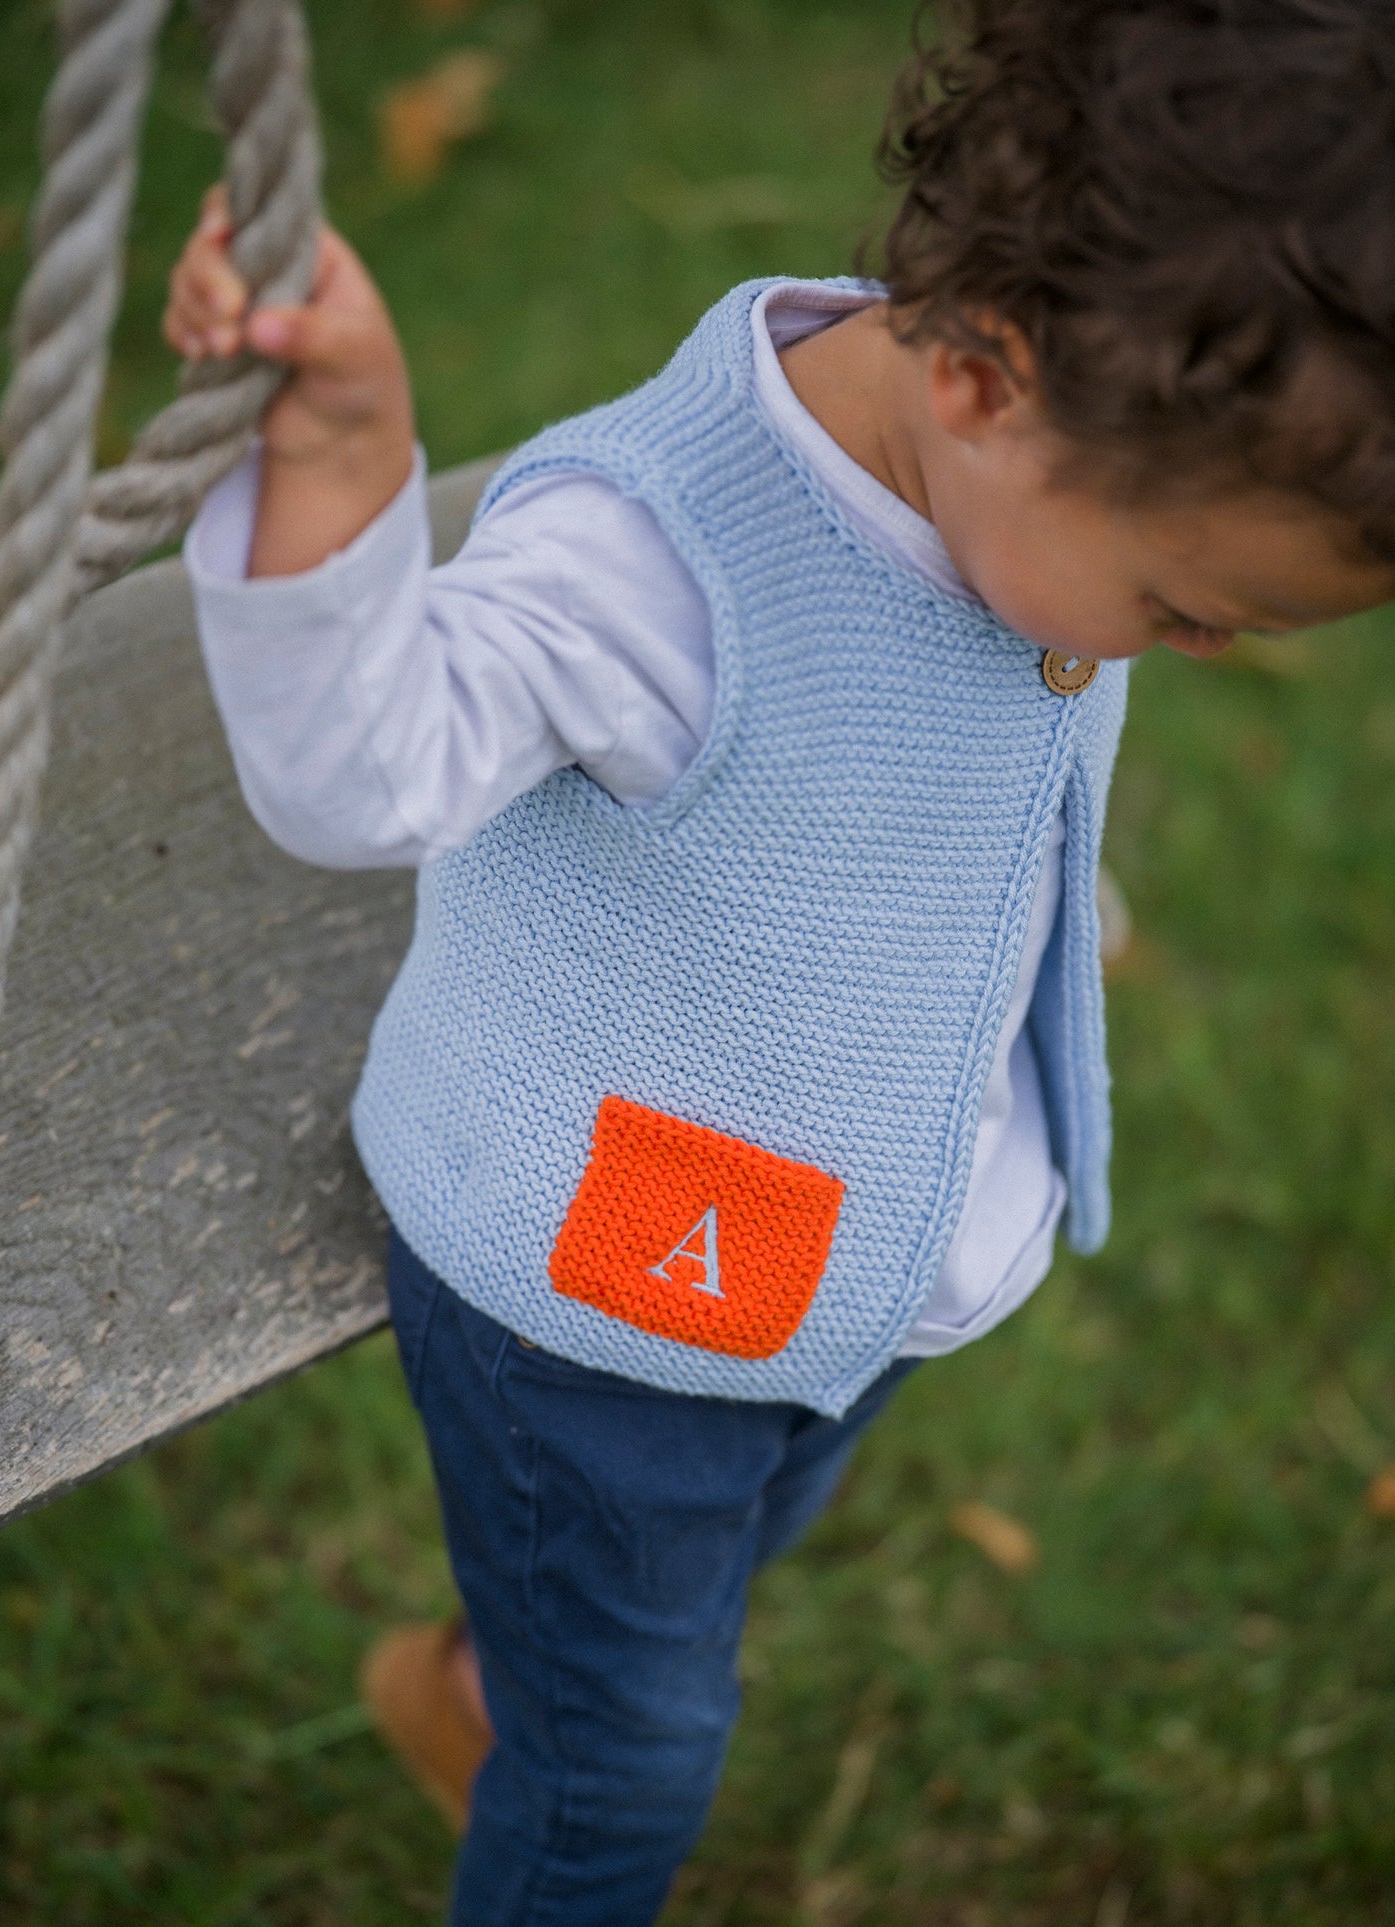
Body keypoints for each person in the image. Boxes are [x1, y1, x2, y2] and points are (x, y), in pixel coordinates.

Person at [166, 2, 1395, 1919]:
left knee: (727, 1544)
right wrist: (336, 474)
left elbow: (973, 775)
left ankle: (493, 1678)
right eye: (1185, 608)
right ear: (988, 384)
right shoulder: (646, 562)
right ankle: (538, 1736)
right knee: (633, 1749)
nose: (1192, 652)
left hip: (839, 1264)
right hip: (603, 1305)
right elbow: (357, 772)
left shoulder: (1042, 465)